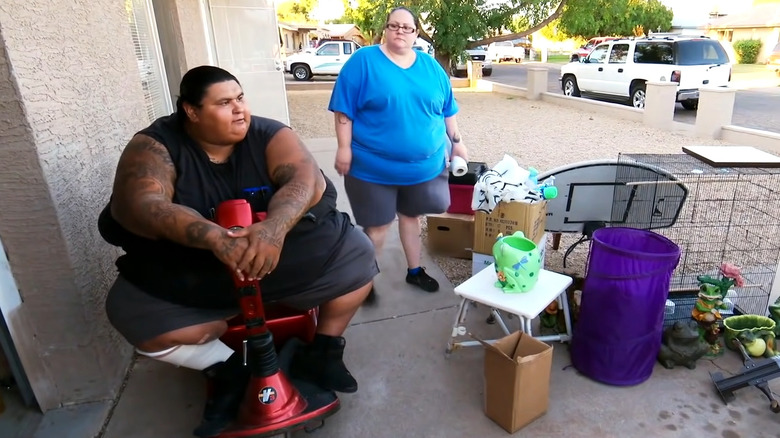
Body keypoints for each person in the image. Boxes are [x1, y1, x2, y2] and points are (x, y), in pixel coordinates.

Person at [98, 66, 378, 437]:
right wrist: (215, 239)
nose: (239, 109)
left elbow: (304, 179)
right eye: (224, 103)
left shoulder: (268, 133)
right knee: (129, 313)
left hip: (274, 256)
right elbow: (143, 203)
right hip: (198, 268)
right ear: (191, 111)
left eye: (240, 98)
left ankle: (323, 350)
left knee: (358, 255)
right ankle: (231, 368)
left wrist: (274, 229)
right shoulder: (155, 145)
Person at [328, 7, 468, 295]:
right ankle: (363, 283)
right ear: (385, 29)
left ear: (416, 33)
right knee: (377, 228)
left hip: (423, 168)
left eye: (407, 27)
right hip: (372, 168)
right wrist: (344, 148)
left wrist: (457, 141)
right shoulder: (363, 62)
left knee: (411, 218)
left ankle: (414, 271)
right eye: (394, 26)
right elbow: (344, 109)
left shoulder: (431, 68)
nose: (400, 31)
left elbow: (447, 110)